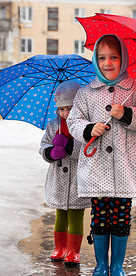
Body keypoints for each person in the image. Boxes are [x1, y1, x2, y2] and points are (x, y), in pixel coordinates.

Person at [67, 34, 136, 276]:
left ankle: (117, 265)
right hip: (97, 166)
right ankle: (100, 265)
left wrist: (127, 113)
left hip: (125, 167)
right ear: (96, 60)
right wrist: (88, 129)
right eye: (102, 57)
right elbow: (73, 120)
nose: (108, 63)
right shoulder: (86, 92)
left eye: (114, 57)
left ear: (123, 59)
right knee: (100, 215)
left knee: (120, 215)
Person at [39, 80, 90, 266]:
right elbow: (44, 145)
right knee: (60, 213)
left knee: (76, 214)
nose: (65, 113)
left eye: (69, 108)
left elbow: (88, 149)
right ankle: (60, 248)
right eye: (61, 109)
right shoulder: (54, 125)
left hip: (78, 178)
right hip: (58, 178)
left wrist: (69, 146)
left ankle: (73, 252)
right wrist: (51, 152)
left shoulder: (83, 125)